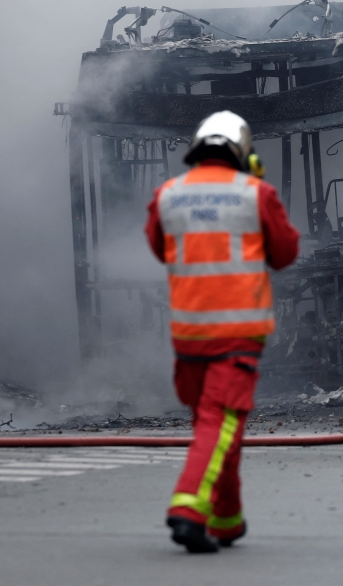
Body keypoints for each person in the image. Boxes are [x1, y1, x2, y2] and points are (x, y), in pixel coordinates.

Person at [145, 110, 300, 552]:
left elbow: (160, 249)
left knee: (216, 424)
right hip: (236, 335)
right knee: (221, 422)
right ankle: (190, 510)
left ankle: (228, 519)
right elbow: (285, 254)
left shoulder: (167, 195)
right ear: (243, 153)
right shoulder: (256, 194)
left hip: (188, 336)